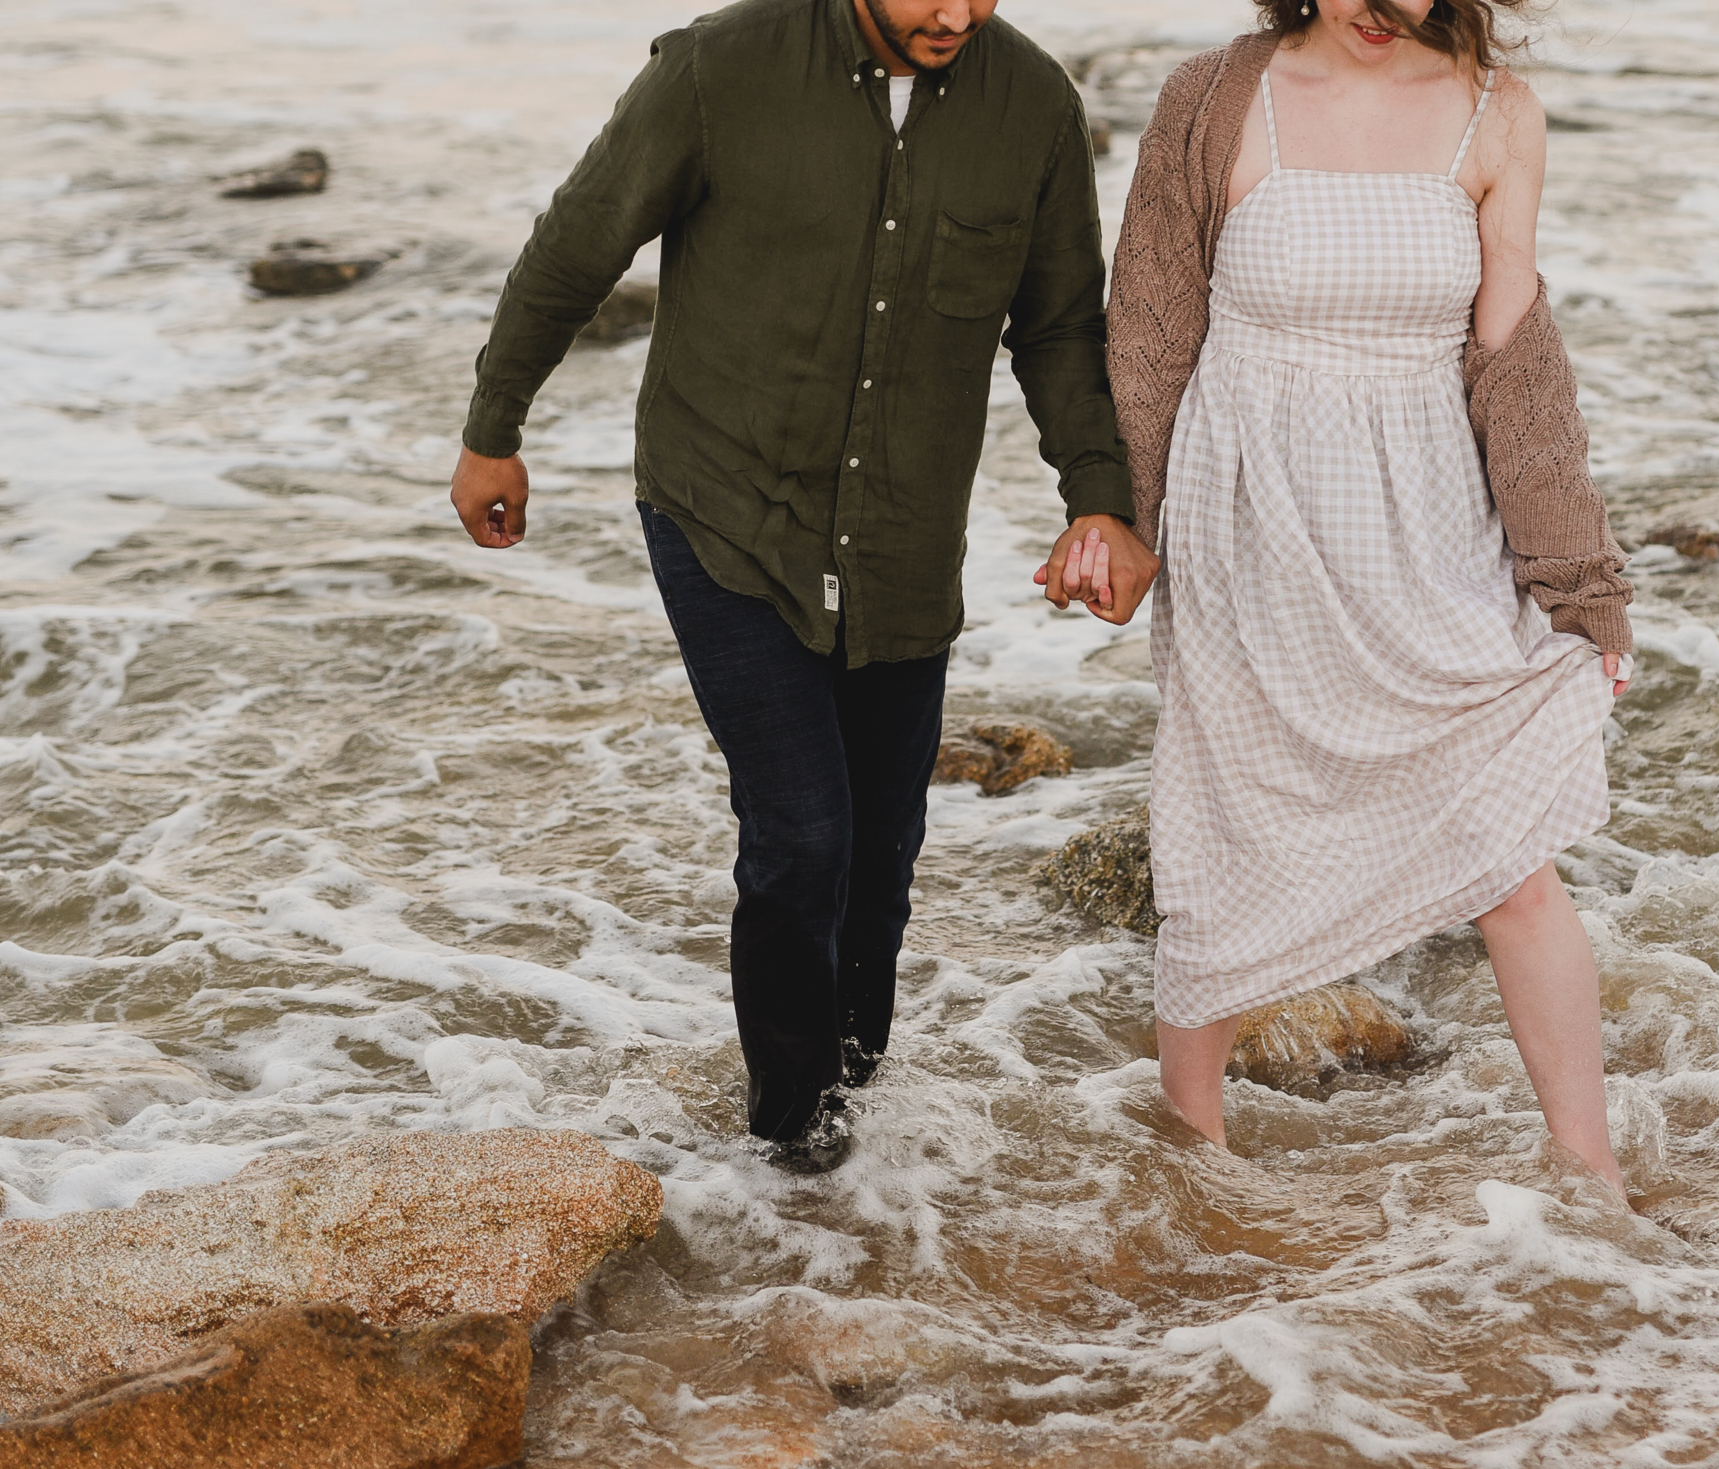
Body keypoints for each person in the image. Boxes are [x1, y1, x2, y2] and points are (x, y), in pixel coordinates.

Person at [449, 0, 1158, 1173]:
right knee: (803, 837)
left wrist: (1098, 496)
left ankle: (853, 1114)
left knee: (881, 855)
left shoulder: (1028, 103)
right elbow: (578, 245)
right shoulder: (717, 70)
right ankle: (793, 1142)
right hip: (724, 515)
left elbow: (1059, 327)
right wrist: (493, 429)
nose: (955, 13)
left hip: (902, 538)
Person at [1099, 0, 1636, 1195]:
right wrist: (1125, 524)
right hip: (1251, 515)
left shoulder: (1497, 114)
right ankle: (1188, 1156)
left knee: (1509, 853)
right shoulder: (1212, 98)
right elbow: (1147, 327)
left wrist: (1576, 582)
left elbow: (1516, 363)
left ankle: (1588, 1169)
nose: (1378, 11)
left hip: (1430, 522)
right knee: (1228, 822)